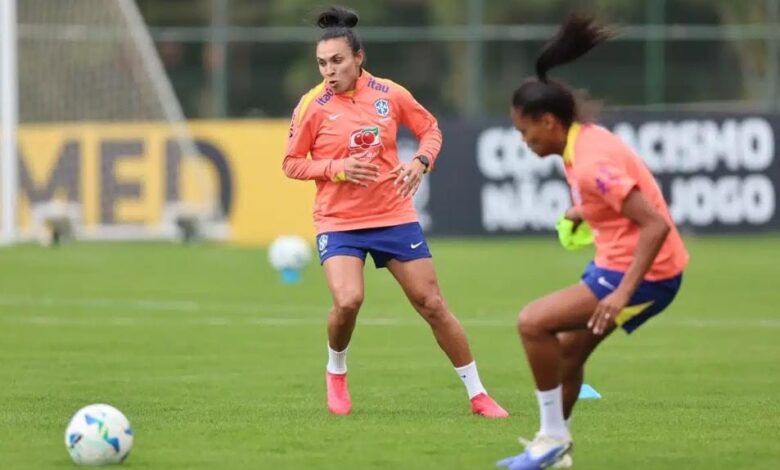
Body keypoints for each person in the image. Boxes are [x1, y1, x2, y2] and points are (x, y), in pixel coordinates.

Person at [282, 6, 508, 418]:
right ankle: (336, 370)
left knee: (431, 302)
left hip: (393, 215)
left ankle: (478, 394)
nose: (329, 71)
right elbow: (292, 163)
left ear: (358, 58)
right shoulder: (312, 105)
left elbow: (430, 129)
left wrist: (421, 161)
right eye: (322, 63)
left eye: (337, 61)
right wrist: (337, 168)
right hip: (339, 221)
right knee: (348, 301)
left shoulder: (390, 94)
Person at [497, 15, 689, 469]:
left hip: (644, 274)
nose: (524, 141)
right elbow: (628, 195)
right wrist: (587, 211)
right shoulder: (583, 141)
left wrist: (621, 294)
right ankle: (554, 447)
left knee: (532, 322)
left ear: (549, 121)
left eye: (524, 131)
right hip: (626, 264)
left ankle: (550, 439)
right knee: (568, 350)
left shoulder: (588, 163)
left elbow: (655, 224)